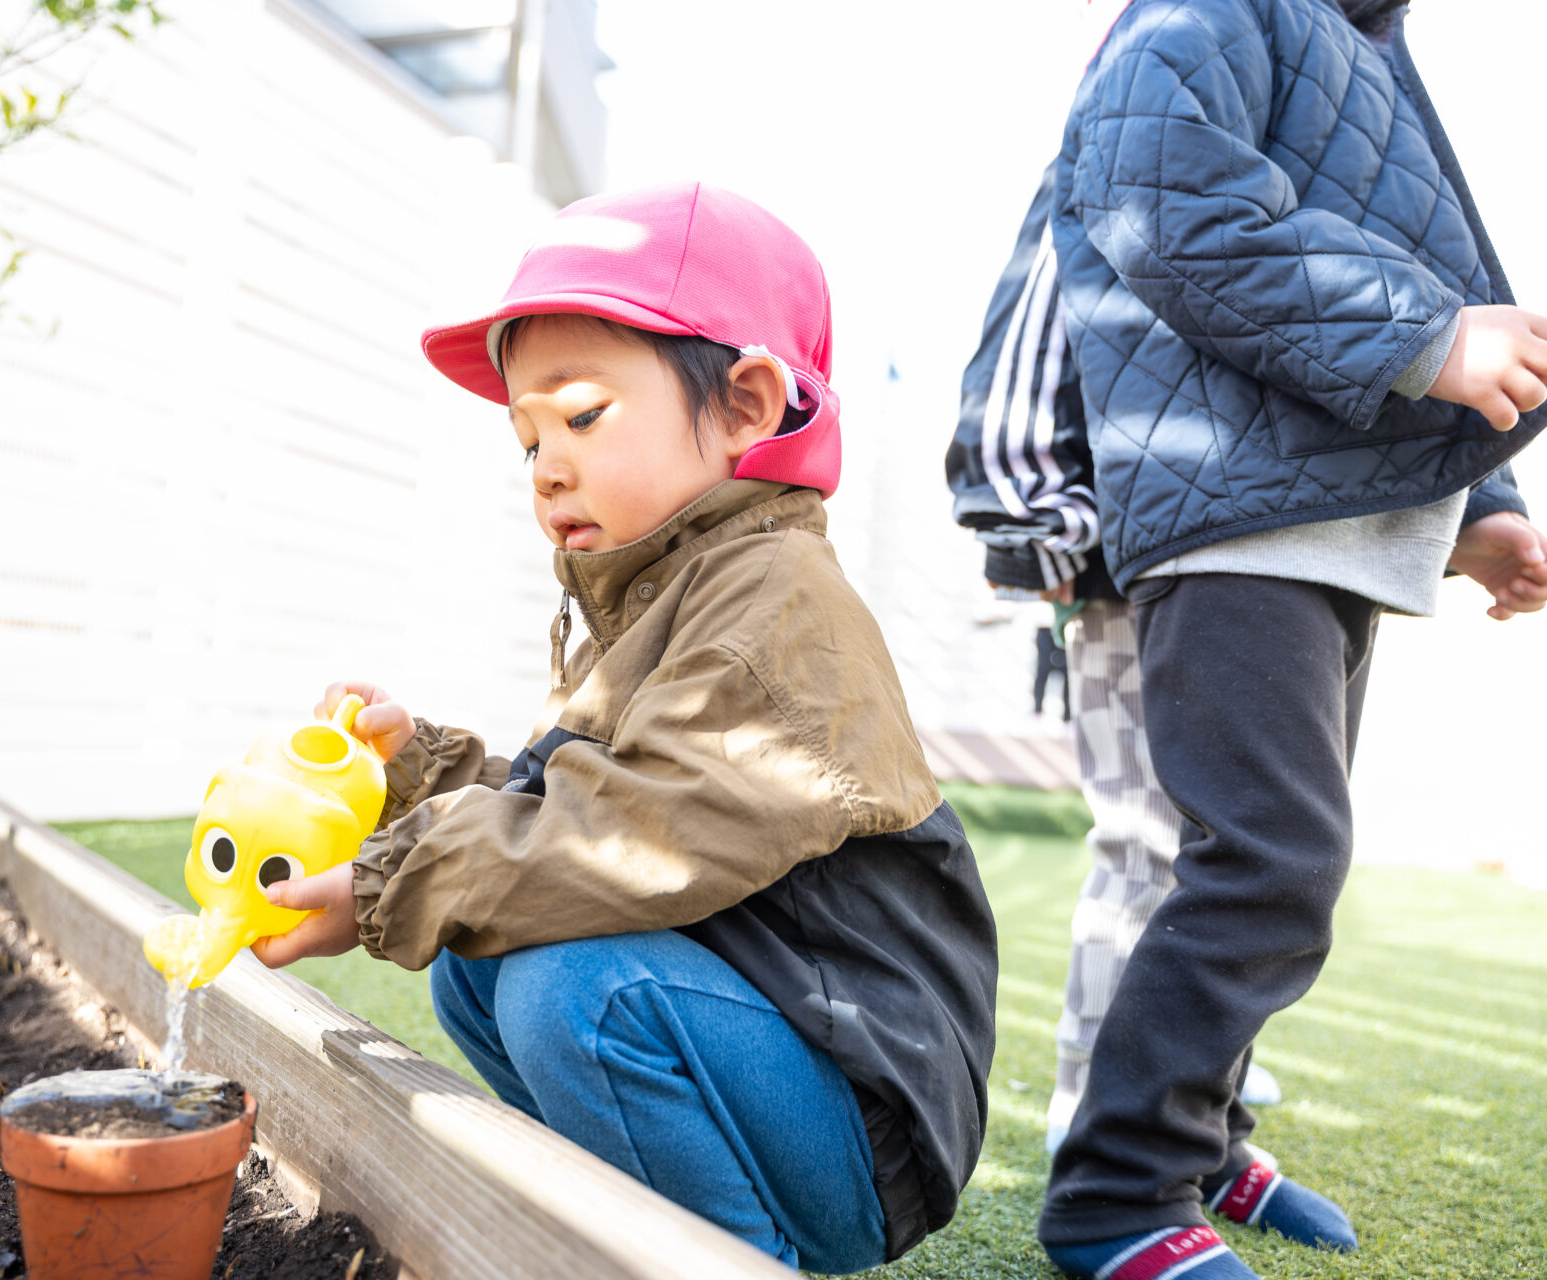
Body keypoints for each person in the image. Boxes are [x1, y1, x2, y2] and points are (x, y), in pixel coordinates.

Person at [245, 183, 1000, 1272]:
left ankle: (731, 1258)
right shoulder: (655, 591)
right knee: (481, 963)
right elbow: (567, 807)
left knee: (570, 988)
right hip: (767, 1046)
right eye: (528, 439)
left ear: (745, 404)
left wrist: (386, 883)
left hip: (859, 1113)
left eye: (583, 417)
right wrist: (420, 768)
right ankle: (617, 1236)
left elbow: (633, 838)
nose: (549, 467)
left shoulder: (778, 602)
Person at [1038, 2, 1547, 1278]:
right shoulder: (1215, 10)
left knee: (1267, 860)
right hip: (1234, 517)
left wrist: (1481, 506)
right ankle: (1117, 1192)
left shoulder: (1364, 41)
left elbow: (1409, 252)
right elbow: (1170, 202)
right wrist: (1428, 335)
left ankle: (1206, 1144)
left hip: (1325, 526)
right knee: (1270, 861)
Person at [946, 168, 1284, 1168]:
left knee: (1251, 852)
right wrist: (1035, 520)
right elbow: (1032, 321)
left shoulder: (1280, 141)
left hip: (1275, 542)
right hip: (1136, 545)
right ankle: (1094, 1110)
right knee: (1147, 841)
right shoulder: (1121, 138)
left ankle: (1198, 1088)